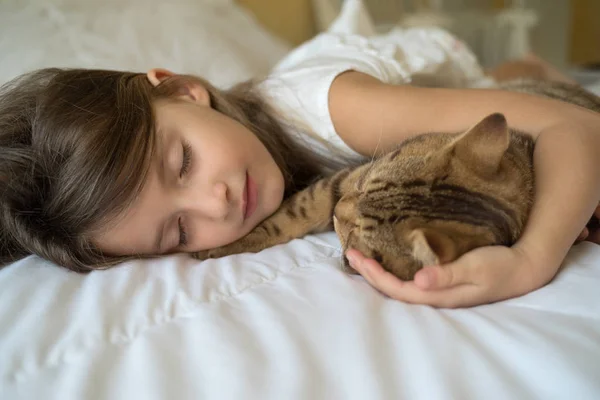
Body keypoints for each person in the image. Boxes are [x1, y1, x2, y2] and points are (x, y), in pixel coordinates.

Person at [1, 26, 600, 309]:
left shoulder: (341, 108)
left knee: (496, 91)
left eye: (182, 163)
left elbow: (576, 128)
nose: (217, 203)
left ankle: (522, 62)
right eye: (179, 232)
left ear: (183, 91)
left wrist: (527, 262)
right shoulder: (225, 176)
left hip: (412, 64)